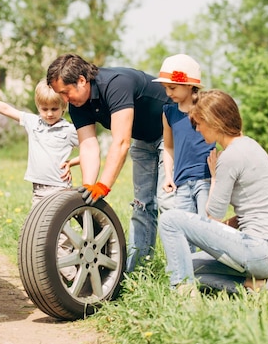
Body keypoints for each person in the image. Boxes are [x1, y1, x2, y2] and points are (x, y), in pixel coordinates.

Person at [47, 53, 174, 272]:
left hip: (172, 134)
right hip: (144, 139)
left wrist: (104, 185)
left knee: (167, 202)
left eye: (65, 93)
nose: (65, 100)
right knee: (142, 205)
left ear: (81, 80)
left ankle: (183, 274)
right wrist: (89, 188)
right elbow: (88, 146)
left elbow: (121, 141)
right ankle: (138, 273)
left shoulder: (116, 84)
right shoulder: (78, 104)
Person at [158, 89, 268, 294]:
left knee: (170, 219)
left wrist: (215, 178)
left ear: (213, 121)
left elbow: (213, 217)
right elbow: (250, 212)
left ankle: (183, 295)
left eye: (198, 123)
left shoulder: (230, 157)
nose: (197, 129)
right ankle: (259, 287)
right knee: (183, 264)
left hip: (261, 250)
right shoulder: (251, 146)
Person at [0, 80, 80, 206]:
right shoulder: (33, 122)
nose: (49, 113)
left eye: (54, 109)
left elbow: (90, 151)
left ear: (63, 107)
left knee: (58, 224)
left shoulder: (69, 130)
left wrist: (71, 163)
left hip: (60, 188)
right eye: (44, 109)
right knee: (39, 224)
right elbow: (6, 109)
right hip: (38, 189)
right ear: (38, 107)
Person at [153, 54, 215, 217]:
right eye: (165, 88)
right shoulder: (169, 113)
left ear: (188, 85)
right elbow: (168, 146)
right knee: (186, 229)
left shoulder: (207, 108)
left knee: (207, 226)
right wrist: (168, 175)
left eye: (172, 88)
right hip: (181, 181)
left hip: (205, 178)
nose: (168, 92)